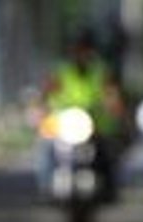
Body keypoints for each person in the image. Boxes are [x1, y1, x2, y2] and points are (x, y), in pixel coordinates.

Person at [37, 29, 127, 200]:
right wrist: (41, 111)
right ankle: (45, 187)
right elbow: (46, 94)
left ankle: (110, 187)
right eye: (77, 50)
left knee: (109, 153)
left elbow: (111, 95)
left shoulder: (100, 71)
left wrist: (114, 108)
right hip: (64, 125)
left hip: (95, 126)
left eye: (85, 50)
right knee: (46, 150)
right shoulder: (61, 71)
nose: (81, 54)